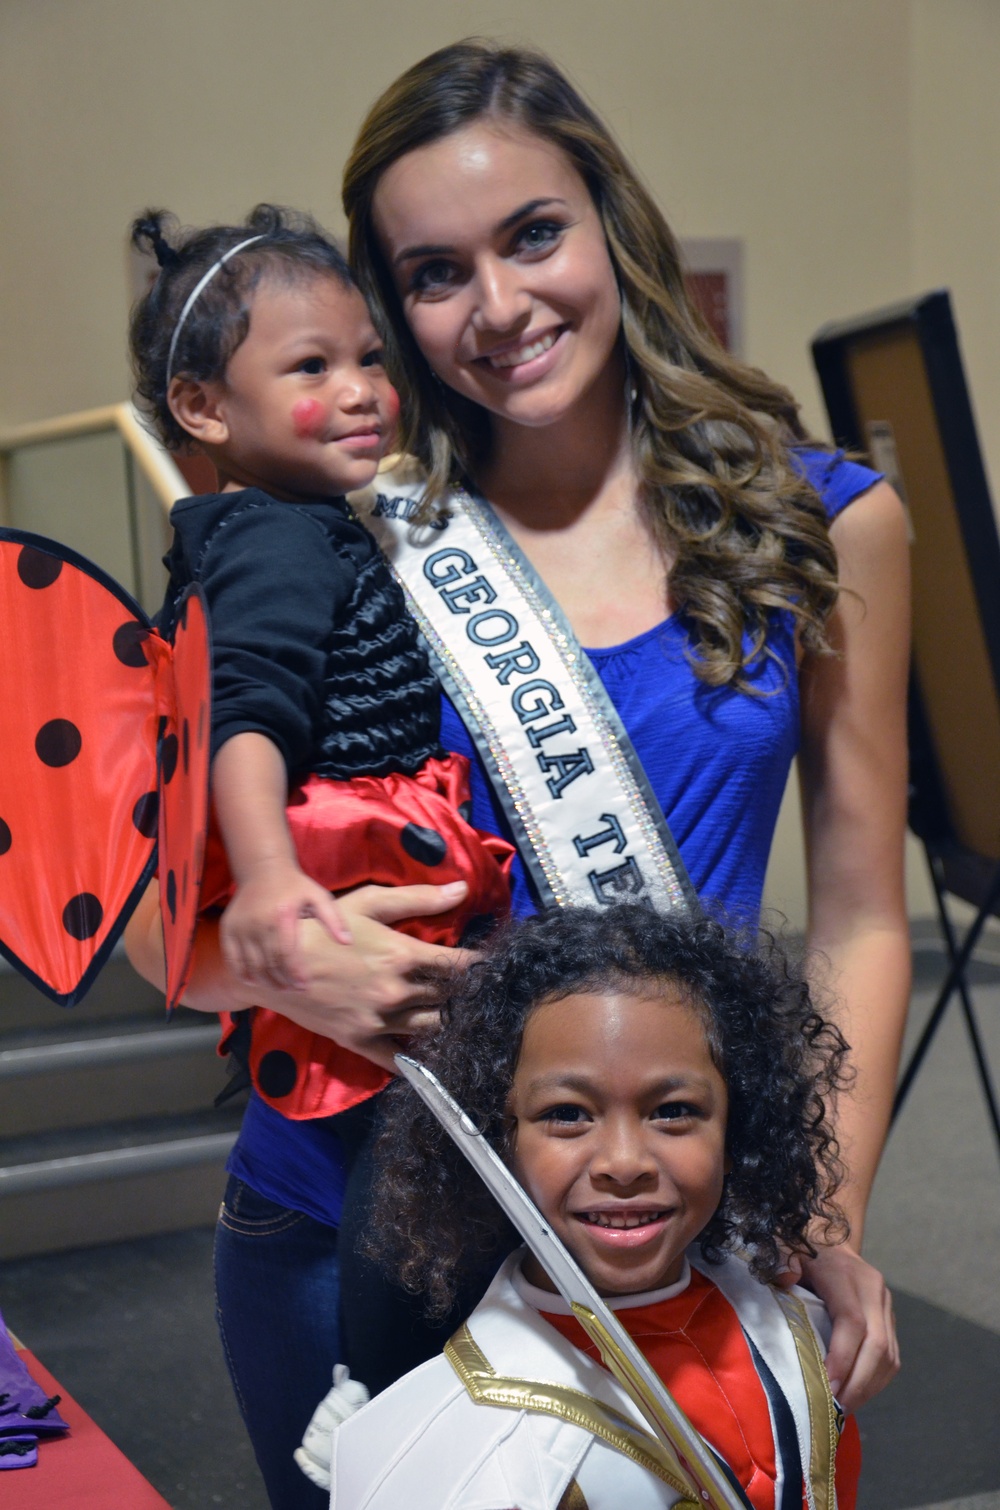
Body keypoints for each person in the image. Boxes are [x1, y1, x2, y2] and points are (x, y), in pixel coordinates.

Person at [126, 40, 907, 1508]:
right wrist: (282, 964)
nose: (498, 308)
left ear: (612, 222)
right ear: (389, 305)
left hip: (668, 1212)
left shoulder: (822, 525)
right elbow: (181, 931)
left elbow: (865, 911)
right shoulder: (345, 530)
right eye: (432, 272)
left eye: (533, 235)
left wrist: (822, 1209)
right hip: (352, 1226)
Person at [300, 902, 862, 1510]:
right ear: (499, 1141)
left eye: (673, 1110)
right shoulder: (470, 1438)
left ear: (738, 1129)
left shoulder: (809, 1328)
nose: (624, 1162)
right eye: (566, 1114)